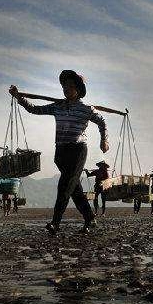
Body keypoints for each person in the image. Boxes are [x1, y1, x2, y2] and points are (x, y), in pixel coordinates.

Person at [10, 70, 109, 235]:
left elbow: (102, 122)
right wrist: (18, 97)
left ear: (78, 89)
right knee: (74, 189)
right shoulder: (58, 106)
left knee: (64, 186)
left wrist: (104, 140)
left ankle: (55, 222)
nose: (66, 89)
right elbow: (34, 109)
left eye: (70, 86)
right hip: (61, 152)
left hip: (77, 151)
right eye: (64, 86)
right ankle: (90, 218)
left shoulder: (86, 109)